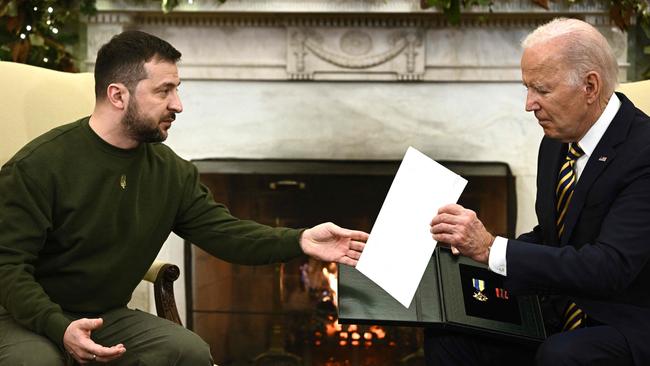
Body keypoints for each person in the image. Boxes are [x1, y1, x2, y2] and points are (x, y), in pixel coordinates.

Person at [0, 30, 368, 365]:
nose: (178, 104)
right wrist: (57, 326)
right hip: (22, 317)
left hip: (103, 316)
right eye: (164, 91)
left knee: (188, 352)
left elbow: (227, 234)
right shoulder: (39, 166)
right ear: (117, 95)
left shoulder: (171, 172)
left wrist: (300, 239)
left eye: (177, 89)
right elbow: (8, 268)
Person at [426, 18, 650, 366]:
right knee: (451, 330)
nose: (529, 104)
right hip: (558, 307)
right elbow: (552, 237)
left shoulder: (644, 152)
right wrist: (471, 251)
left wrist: (492, 249)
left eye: (542, 90)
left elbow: (610, 267)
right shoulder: (556, 142)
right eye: (527, 88)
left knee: (562, 354)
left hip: (626, 320)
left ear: (590, 86)